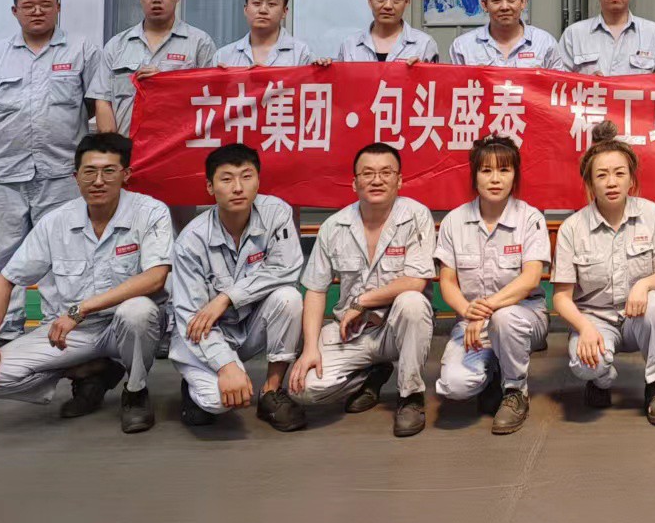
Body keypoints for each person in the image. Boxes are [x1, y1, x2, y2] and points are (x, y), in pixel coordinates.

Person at [0, 132, 169, 435]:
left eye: (109, 171)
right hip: (77, 332)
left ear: (126, 175)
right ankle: (89, 370)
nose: (98, 181)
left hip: (125, 327)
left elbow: (156, 276)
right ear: (76, 177)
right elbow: (3, 281)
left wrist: (81, 309)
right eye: (89, 172)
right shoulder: (56, 222)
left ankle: (136, 391)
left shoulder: (150, 212)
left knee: (137, 311)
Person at [0, 0, 113, 342]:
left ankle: (57, 328)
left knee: (63, 256)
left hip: (61, 174)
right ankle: (6, 333)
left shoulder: (82, 51)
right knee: (4, 256)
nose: (37, 11)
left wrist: (110, 155)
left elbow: (98, 104)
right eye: (28, 6)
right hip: (4, 174)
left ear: (58, 8)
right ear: (14, 11)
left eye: (45, 5)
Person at [287, 143, 437, 438]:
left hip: (396, 330)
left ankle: (410, 397)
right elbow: (315, 290)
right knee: (302, 389)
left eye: (386, 173)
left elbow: (416, 281)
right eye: (367, 173)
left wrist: (362, 302)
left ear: (399, 180)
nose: (376, 180)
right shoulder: (334, 226)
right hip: (351, 332)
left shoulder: (416, 216)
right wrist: (310, 348)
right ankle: (369, 375)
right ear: (354, 183)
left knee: (413, 302)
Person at [551, 123, 655, 424]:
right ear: (590, 182)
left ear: (631, 179)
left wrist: (644, 285)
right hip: (595, 319)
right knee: (585, 365)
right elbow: (561, 297)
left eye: (619, 173)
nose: (611, 182)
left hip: (636, 316)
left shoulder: (652, 215)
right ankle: (601, 380)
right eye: (602, 175)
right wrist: (584, 327)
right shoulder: (572, 228)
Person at [168, 142, 306, 432]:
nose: (238, 187)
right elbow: (191, 318)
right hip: (205, 332)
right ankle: (195, 384)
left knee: (289, 297)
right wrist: (226, 366)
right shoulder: (191, 241)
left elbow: (288, 268)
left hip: (249, 323)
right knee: (218, 401)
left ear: (258, 180)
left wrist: (227, 297)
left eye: (246, 176)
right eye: (227, 179)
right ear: (210, 187)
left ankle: (271, 392)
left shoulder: (276, 212)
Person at [433, 137, 552, 435]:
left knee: (504, 318)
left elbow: (531, 278)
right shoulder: (453, 222)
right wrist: (468, 312)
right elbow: (447, 282)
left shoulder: (530, 218)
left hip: (524, 316)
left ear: (515, 175)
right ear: (474, 175)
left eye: (504, 170)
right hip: (472, 320)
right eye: (486, 170)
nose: (495, 179)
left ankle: (515, 391)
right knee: (455, 386)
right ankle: (495, 370)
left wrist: (484, 311)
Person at [100, 0, 216, 135]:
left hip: (176, 146)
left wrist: (167, 84)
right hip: (126, 146)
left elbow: (211, 99)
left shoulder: (200, 43)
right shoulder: (117, 45)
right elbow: (103, 100)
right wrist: (113, 147)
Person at [449, 0, 570, 68]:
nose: (504, 7)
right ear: (485, 5)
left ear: (523, 2)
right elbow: (453, 87)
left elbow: (558, 87)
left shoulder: (545, 43)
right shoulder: (463, 46)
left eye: (511, 0)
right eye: (496, 1)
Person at [337, 0, 440, 64]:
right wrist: (327, 70)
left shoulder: (424, 44)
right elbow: (339, 78)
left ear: (407, 2)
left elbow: (435, 79)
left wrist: (421, 72)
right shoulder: (349, 45)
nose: (388, 6)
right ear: (370, 0)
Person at [216, 0, 315, 68]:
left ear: (284, 12)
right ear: (246, 9)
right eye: (257, 3)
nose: (263, 10)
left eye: (271, 4)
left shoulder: (302, 54)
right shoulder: (223, 56)